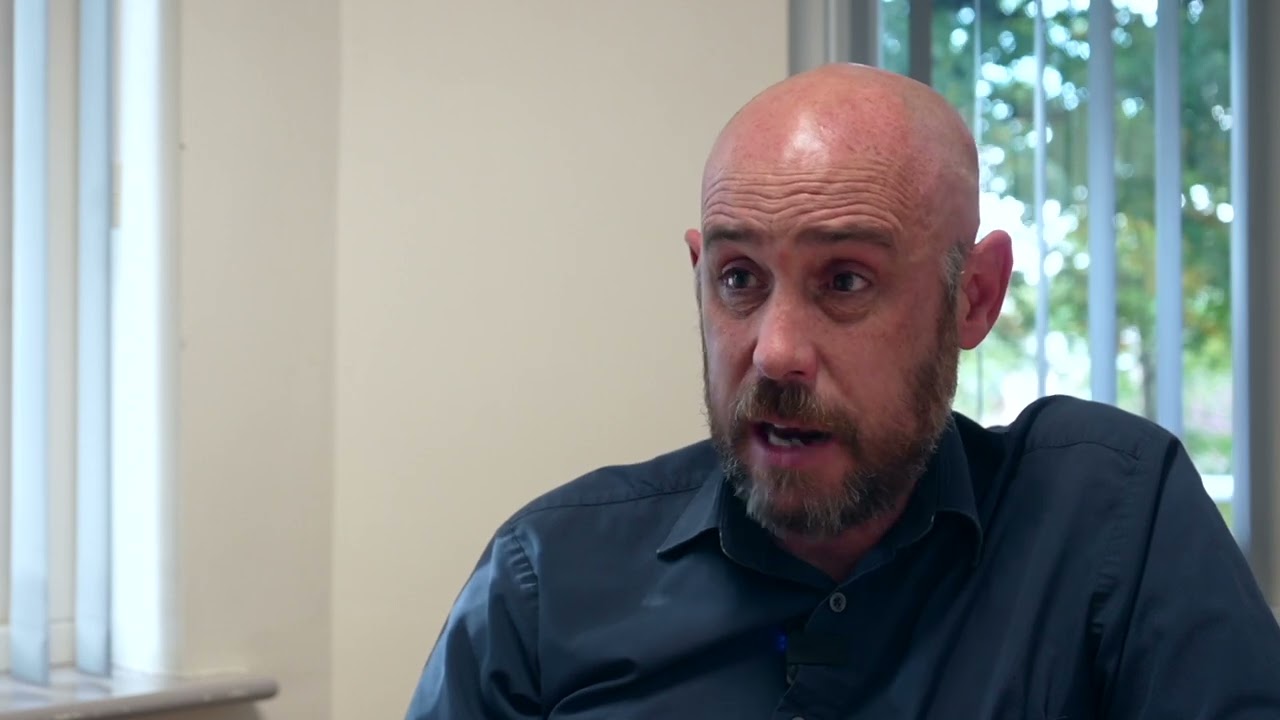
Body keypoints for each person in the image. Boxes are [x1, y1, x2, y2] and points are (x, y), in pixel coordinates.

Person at [405, 63, 1280, 719]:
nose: (776, 353)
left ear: (973, 297)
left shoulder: (1111, 524)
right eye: (739, 279)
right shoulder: (546, 579)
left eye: (846, 281)